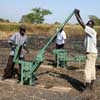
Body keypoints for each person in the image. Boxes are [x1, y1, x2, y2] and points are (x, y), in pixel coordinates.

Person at [74, 9, 98, 90]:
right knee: (92, 69)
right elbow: (83, 24)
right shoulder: (91, 32)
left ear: (91, 26)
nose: (87, 25)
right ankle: (91, 87)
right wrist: (79, 14)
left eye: (89, 24)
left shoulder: (91, 31)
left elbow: (82, 24)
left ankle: (87, 89)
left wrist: (76, 15)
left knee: (87, 70)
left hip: (91, 53)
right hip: (93, 53)